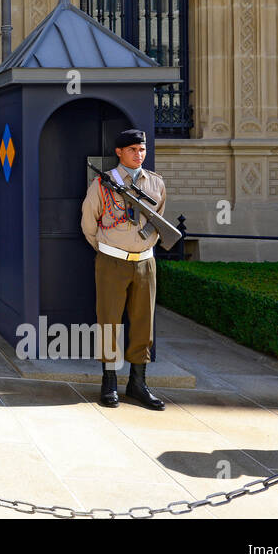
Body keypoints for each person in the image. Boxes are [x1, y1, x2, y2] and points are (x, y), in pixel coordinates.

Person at [80, 128, 166, 411]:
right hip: (112, 261)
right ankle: (109, 381)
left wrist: (141, 245)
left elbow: (158, 220)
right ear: (119, 152)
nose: (139, 154)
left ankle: (138, 383)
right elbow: (89, 224)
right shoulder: (103, 184)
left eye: (142, 150)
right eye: (132, 150)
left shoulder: (155, 183)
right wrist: (108, 249)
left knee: (144, 323)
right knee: (109, 321)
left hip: (145, 262)